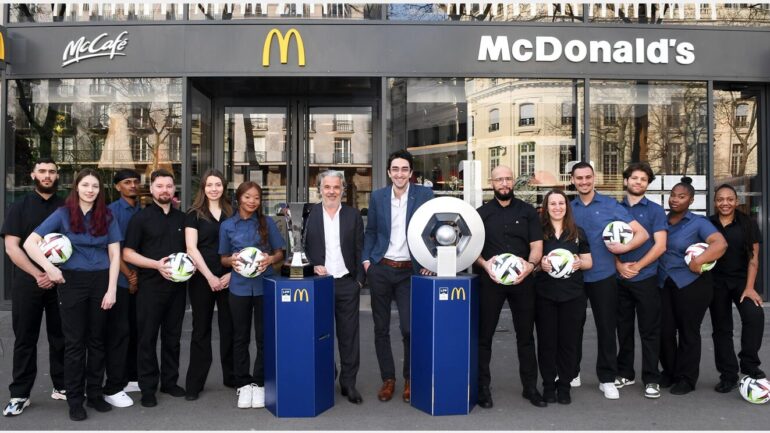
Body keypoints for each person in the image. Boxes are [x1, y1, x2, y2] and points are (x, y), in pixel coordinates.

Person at [23, 168, 122, 421]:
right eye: (86, 185)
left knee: (98, 340)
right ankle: (75, 399)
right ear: (77, 187)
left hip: (101, 281)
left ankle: (95, 394)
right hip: (72, 282)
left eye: (95, 186)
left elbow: (114, 254)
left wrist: (111, 289)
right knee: (75, 343)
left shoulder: (107, 216)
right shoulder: (63, 214)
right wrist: (49, 268)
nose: (90, 190)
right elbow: (29, 243)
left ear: (100, 191)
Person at [569, 161, 649, 400]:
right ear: (572, 181)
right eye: (579, 178)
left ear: (594, 178)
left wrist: (625, 247)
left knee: (606, 328)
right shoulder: (568, 208)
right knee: (573, 327)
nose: (584, 182)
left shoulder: (609, 205)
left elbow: (642, 234)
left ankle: (606, 378)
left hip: (603, 275)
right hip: (575, 276)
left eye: (587, 177)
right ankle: (572, 372)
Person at [362, 149, 434, 403]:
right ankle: (388, 379)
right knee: (380, 328)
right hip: (381, 268)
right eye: (395, 169)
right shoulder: (378, 197)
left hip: (409, 272)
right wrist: (367, 261)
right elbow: (370, 230)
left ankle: (410, 378)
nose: (400, 174)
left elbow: (434, 230)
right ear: (389, 172)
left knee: (409, 328)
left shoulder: (424, 195)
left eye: (404, 169)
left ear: (411, 173)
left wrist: (430, 262)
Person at [1, 158, 66, 417]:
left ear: (57, 175)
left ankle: (62, 386)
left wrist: (54, 274)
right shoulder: (19, 207)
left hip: (60, 282)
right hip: (28, 283)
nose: (47, 175)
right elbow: (11, 248)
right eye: (42, 171)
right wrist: (39, 273)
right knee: (25, 339)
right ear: (33, 175)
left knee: (61, 337)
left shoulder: (66, 207)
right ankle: (20, 394)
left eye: (51, 171)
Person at [475, 165, 545, 408]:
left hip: (522, 281)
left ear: (513, 181)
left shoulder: (528, 212)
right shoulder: (480, 214)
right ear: (491, 182)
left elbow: (536, 245)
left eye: (507, 178)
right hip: (490, 282)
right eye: (499, 179)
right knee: (484, 337)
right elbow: (472, 249)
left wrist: (531, 265)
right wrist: (484, 265)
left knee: (526, 336)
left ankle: (530, 388)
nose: (504, 183)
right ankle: (483, 389)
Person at [123, 169, 187, 408]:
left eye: (169, 186)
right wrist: (156, 265)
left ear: (174, 190)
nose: (165, 190)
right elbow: (127, 253)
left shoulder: (182, 219)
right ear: (151, 190)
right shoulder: (140, 218)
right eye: (160, 186)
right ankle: (147, 387)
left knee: (173, 337)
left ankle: (170, 382)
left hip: (178, 289)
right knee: (147, 339)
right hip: (150, 288)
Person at [658, 177, 727, 395]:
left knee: (688, 332)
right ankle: (669, 372)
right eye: (673, 195)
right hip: (663, 283)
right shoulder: (661, 220)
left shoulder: (698, 222)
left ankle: (686, 378)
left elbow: (720, 243)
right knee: (664, 331)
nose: (675, 200)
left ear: (691, 199)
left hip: (692, 284)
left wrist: (699, 260)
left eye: (681, 196)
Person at [219, 182, 285, 409]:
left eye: (256, 198)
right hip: (238, 288)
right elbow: (223, 258)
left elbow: (280, 253)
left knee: (264, 336)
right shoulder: (227, 226)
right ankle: (243, 383)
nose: (252, 201)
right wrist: (232, 260)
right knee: (240, 337)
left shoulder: (267, 223)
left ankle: (259, 382)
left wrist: (270, 259)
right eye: (248, 197)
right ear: (239, 198)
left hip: (265, 285)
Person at [305, 170, 365, 404]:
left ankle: (349, 383)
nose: (331, 191)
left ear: (343, 190)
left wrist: (359, 280)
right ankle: (327, 377)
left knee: (349, 337)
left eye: (336, 187)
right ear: (320, 189)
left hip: (347, 283)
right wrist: (312, 266)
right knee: (321, 334)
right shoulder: (309, 215)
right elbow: (301, 248)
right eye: (327, 187)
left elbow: (361, 248)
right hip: (320, 285)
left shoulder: (353, 215)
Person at [614, 162, 668, 399]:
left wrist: (637, 266)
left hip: (645, 278)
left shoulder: (655, 210)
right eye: (634, 178)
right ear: (626, 181)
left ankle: (651, 378)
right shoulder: (613, 208)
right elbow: (604, 244)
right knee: (623, 329)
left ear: (647, 184)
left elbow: (661, 245)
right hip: (619, 278)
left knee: (649, 331)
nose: (638, 182)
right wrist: (619, 265)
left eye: (643, 179)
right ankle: (625, 373)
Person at [536, 189, 592, 406]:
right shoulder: (539, 232)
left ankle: (564, 385)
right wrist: (541, 264)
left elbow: (589, 262)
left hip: (573, 295)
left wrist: (579, 263)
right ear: (546, 208)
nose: (557, 207)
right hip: (545, 295)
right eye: (553, 204)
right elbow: (531, 262)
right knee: (547, 341)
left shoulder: (578, 233)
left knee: (569, 342)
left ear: (567, 207)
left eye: (561, 203)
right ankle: (549, 384)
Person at [708, 184, 766, 392]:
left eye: (729, 199)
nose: (725, 203)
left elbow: (753, 257)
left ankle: (749, 365)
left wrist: (750, 288)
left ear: (736, 201)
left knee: (755, 316)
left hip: (742, 281)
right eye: (720, 199)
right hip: (716, 282)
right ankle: (728, 375)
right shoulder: (708, 224)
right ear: (715, 202)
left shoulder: (748, 223)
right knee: (722, 329)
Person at [184, 169, 235, 401]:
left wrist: (232, 274)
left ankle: (232, 377)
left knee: (230, 328)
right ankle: (195, 383)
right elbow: (191, 249)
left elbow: (241, 246)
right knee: (201, 330)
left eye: (218, 184)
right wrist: (209, 277)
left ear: (224, 187)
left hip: (229, 277)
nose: (214, 188)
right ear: (203, 188)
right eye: (209, 185)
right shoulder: (193, 214)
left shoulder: (232, 212)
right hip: (202, 279)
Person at [103, 168, 142, 408]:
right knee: (119, 333)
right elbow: (112, 248)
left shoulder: (143, 209)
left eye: (136, 182)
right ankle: (114, 383)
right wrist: (129, 276)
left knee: (137, 331)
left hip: (139, 279)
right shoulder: (111, 212)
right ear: (118, 187)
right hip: (119, 280)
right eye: (127, 182)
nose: (133, 186)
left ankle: (132, 377)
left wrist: (137, 278)